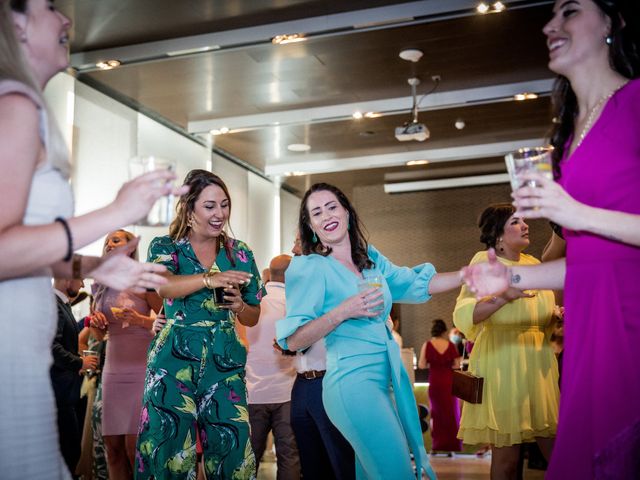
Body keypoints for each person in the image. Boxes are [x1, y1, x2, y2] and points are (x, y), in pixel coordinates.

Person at [0, 2, 185, 478]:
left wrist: (93, 267)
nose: (67, 20)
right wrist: (116, 212)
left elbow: (27, 248)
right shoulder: (14, 104)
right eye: (51, 7)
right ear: (16, 23)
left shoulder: (26, 107)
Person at [462, 1, 640, 477]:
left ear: (614, 20)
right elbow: (593, 257)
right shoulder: (567, 138)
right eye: (550, 15)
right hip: (591, 324)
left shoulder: (637, 103)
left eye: (570, 11)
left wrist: (574, 211)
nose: (549, 25)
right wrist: (511, 274)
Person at [276, 183, 467, 480]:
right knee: (397, 472)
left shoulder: (370, 259)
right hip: (350, 384)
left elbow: (417, 283)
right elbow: (294, 338)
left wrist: (466, 275)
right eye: (316, 212)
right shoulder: (309, 267)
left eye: (332, 206)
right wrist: (343, 311)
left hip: (381, 381)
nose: (326, 215)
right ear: (311, 227)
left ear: (347, 213)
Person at [136, 169, 266, 480]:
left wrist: (240, 306)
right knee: (170, 454)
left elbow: (254, 315)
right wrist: (210, 278)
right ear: (189, 207)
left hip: (224, 361)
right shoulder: (165, 246)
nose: (220, 213)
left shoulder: (240, 253)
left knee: (233, 452)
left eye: (224, 205)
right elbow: (165, 288)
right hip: (172, 361)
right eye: (210, 206)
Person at [454, 203, 558, 479]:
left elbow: (539, 315)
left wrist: (555, 316)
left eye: (524, 220)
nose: (525, 225)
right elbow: (465, 313)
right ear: (498, 235)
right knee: (507, 461)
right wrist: (503, 298)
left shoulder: (534, 264)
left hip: (537, 364)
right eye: (515, 222)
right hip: (503, 365)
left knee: (559, 452)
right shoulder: (485, 263)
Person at [89, 230, 162, 480]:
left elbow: (166, 320)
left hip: (140, 369)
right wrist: (96, 324)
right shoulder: (100, 284)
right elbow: (98, 335)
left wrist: (140, 319)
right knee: (113, 449)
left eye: (116, 240)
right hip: (112, 370)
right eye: (107, 240)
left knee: (135, 449)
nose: (109, 243)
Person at [288, 234, 356, 480]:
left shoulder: (341, 284)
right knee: (310, 463)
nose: (292, 248)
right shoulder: (297, 288)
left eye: (297, 240)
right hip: (301, 382)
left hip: (330, 379)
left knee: (340, 460)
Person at [246, 254, 301, 479]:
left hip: (252, 391)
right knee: (290, 457)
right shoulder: (296, 304)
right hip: (288, 392)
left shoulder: (250, 304)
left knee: (248, 459)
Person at [51, 277, 96, 477]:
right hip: (57, 393)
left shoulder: (60, 304)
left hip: (62, 391)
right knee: (68, 451)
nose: (83, 285)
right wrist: (80, 362)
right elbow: (51, 346)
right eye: (80, 280)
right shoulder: (53, 304)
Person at [417, 319, 462, 455]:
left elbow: (421, 365)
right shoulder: (450, 345)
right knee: (451, 414)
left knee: (435, 415)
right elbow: (456, 365)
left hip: (435, 382)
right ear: (444, 332)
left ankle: (435, 447)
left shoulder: (427, 344)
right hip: (448, 382)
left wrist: (434, 362)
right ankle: (450, 449)